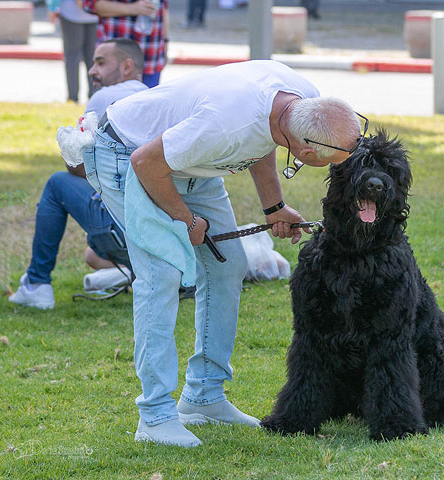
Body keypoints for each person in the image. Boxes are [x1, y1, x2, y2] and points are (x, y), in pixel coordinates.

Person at [82, 59, 366, 447]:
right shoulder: (225, 125)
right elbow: (146, 162)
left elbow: (265, 136)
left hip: (187, 157)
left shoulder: (302, 103)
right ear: (305, 149)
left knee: (229, 265)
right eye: (332, 160)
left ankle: (204, 396)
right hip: (128, 153)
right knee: (161, 277)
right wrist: (185, 220)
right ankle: (155, 416)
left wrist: (274, 207)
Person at [8, 38, 148, 310]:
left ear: (127, 66)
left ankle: (36, 283)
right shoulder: (154, 94)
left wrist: (69, 151)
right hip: (164, 230)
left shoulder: (106, 97)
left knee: (58, 184)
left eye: (101, 62)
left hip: (125, 226)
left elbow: (81, 165)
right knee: (91, 255)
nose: (92, 70)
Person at [81, 0, 170, 88]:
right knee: (111, 100)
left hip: (151, 54)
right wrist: (133, 8)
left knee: (148, 100)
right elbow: (91, 5)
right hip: (114, 58)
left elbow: (163, 8)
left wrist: (165, 43)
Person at [45, 0, 99, 102]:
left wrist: (52, 8)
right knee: (90, 58)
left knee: (76, 58)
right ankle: (87, 97)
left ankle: (76, 98)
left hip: (82, 14)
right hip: (87, 14)